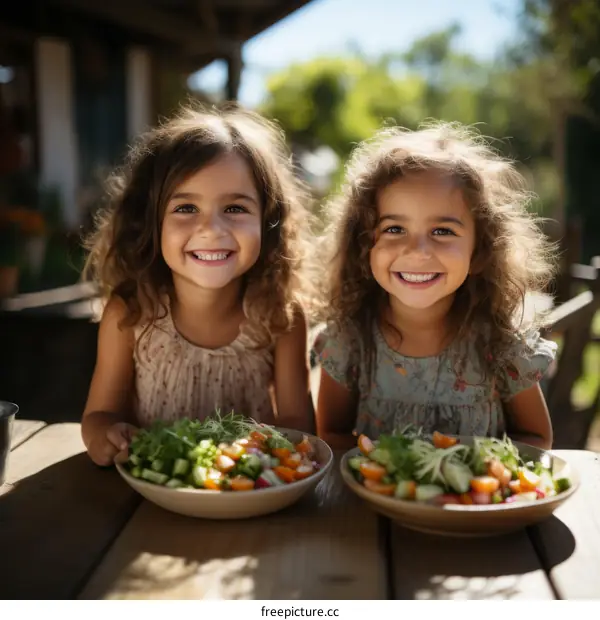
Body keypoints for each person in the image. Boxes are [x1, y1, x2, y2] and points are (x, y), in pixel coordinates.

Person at [81, 103, 316, 466]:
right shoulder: (130, 312)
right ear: (150, 222)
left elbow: (299, 429)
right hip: (149, 497)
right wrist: (107, 438)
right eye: (186, 208)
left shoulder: (280, 315)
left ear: (268, 221)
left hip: (250, 495)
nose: (211, 229)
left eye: (235, 209)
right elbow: (100, 416)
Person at [313, 121, 558, 450]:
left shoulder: (502, 344)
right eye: (394, 229)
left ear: (482, 251)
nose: (417, 251)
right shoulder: (349, 341)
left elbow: (536, 439)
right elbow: (330, 437)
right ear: (363, 245)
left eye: (442, 231)